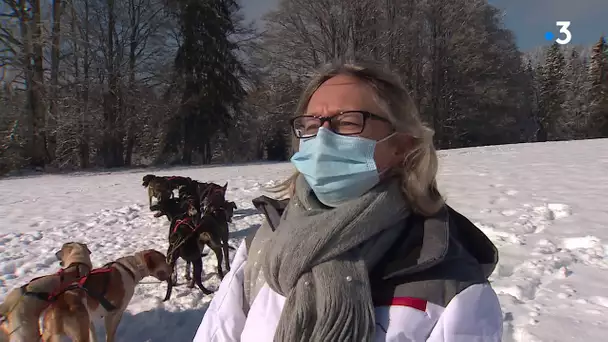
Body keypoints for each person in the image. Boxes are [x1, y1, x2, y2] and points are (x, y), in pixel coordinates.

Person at [193, 60, 503, 342]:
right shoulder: (263, 246)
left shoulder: (449, 283)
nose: (323, 137)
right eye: (312, 125)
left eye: (348, 122)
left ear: (401, 145)